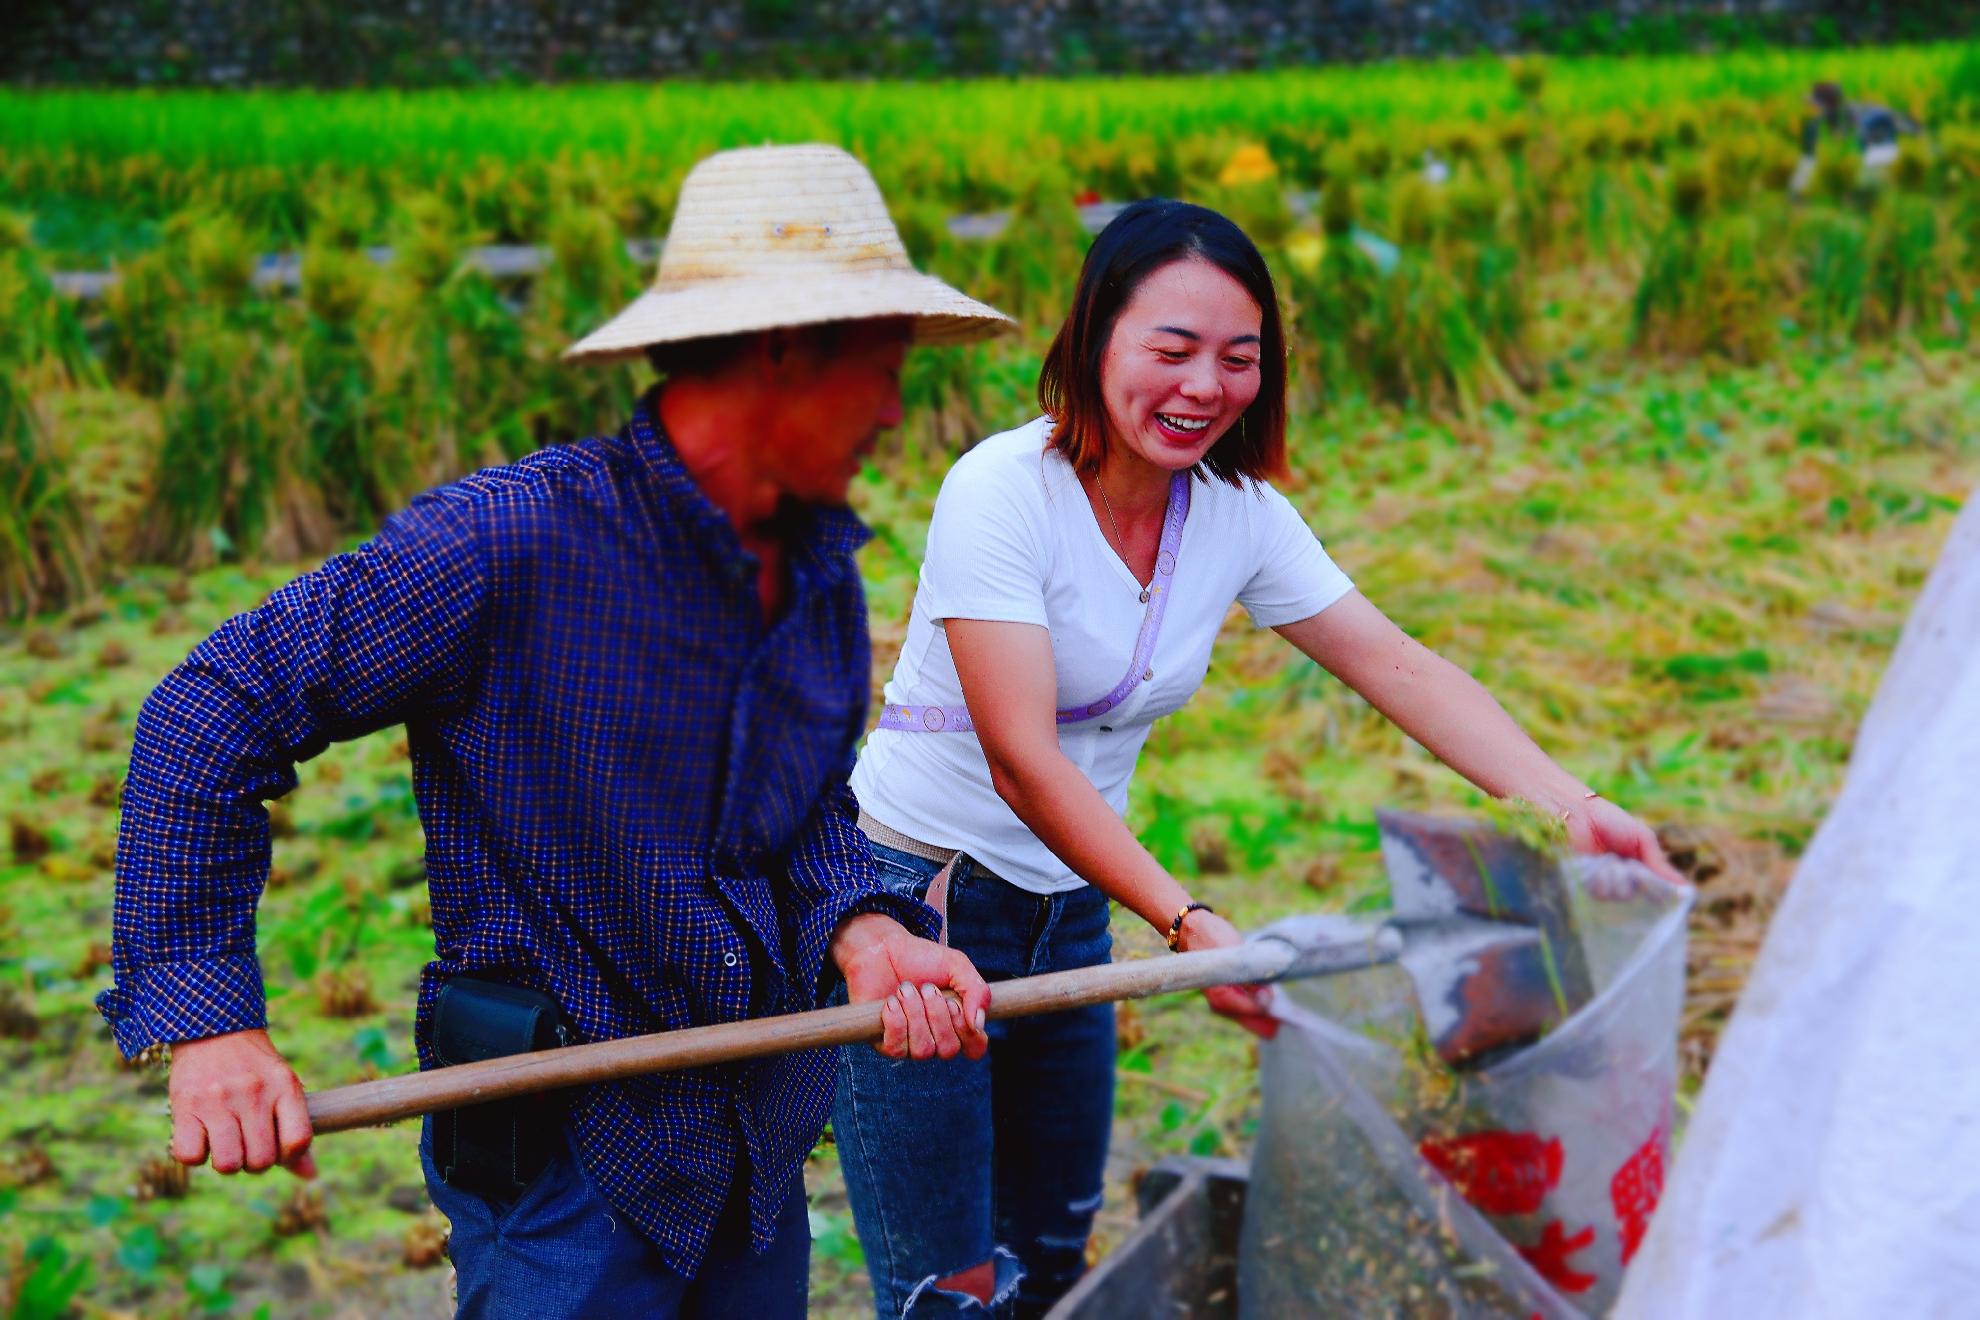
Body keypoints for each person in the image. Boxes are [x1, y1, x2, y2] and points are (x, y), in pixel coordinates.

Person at [97, 144, 1012, 1319]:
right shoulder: (503, 544)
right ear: (785, 353)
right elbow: (209, 709)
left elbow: (804, 813)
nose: (896, 410)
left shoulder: (818, 569)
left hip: (753, 1143)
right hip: (566, 1163)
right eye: (883, 369)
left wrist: (866, 929)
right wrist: (212, 1020)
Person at [834, 198, 1684, 1318]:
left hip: (1071, 905)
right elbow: (1023, 764)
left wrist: (1574, 805)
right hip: (920, 910)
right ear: (1093, 342)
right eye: (1171, 349)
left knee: (1054, 1249)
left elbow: (1399, 667)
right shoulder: (1002, 492)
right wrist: (1187, 923)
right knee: (950, 1284)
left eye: (1239, 359)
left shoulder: (1235, 512)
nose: (1205, 387)